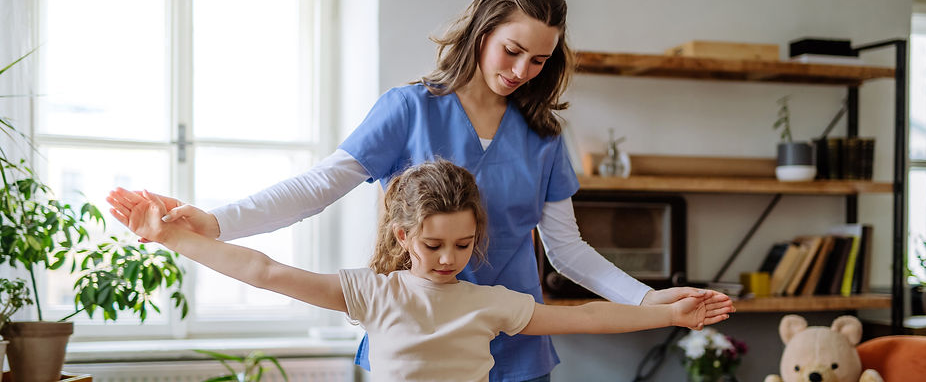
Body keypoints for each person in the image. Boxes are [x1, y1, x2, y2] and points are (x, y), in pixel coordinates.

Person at [107, 0, 734, 380]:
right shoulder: (408, 108)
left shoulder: (543, 135)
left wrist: (645, 300)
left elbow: (566, 249)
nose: (521, 70)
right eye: (512, 50)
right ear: (483, 31)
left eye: (540, 59)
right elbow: (317, 186)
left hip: (516, 335)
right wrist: (213, 223)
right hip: (410, 336)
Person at [115, 160, 714, 382]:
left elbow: (585, 320)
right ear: (403, 237)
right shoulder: (371, 293)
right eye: (433, 246)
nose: (449, 258)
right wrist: (173, 237)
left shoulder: (490, 302)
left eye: (463, 244)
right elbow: (265, 270)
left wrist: (663, 311)